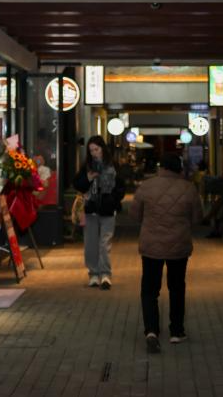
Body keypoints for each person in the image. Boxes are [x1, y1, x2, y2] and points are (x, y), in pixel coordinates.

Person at [129, 152, 203, 353]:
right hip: (179, 246)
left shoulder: (146, 186)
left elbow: (134, 215)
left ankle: (151, 331)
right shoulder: (189, 188)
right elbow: (197, 218)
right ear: (180, 168)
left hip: (151, 246)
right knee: (177, 288)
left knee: (150, 290)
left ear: (161, 167)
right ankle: (176, 331)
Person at [73, 135, 125, 290]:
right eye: (91, 150)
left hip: (108, 209)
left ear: (103, 148)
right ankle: (93, 274)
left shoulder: (112, 165)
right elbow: (78, 185)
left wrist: (113, 200)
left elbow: (120, 187)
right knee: (91, 244)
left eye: (96, 149)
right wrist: (88, 178)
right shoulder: (87, 166)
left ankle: (105, 275)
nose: (94, 153)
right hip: (91, 209)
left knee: (104, 244)